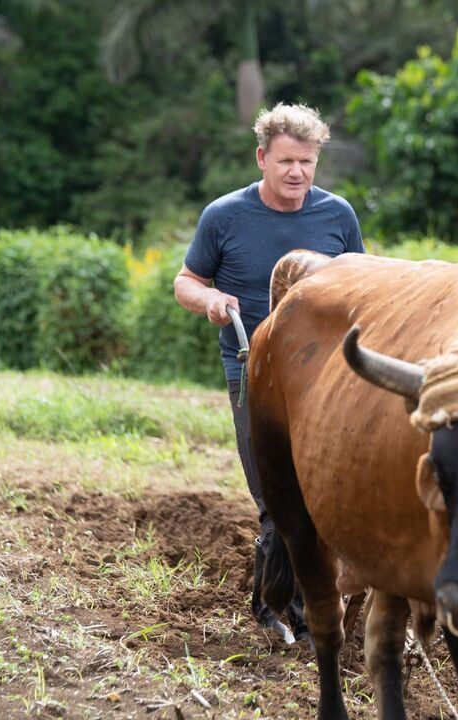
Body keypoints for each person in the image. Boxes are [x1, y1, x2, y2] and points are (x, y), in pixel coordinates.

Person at [174, 102, 365, 643]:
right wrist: (209, 299)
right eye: (285, 161)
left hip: (324, 380)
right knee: (273, 495)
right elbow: (185, 280)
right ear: (262, 158)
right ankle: (278, 603)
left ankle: (297, 603)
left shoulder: (338, 216)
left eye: (307, 161)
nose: (297, 173)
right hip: (252, 372)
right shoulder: (225, 216)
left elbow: (363, 284)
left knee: (317, 494)